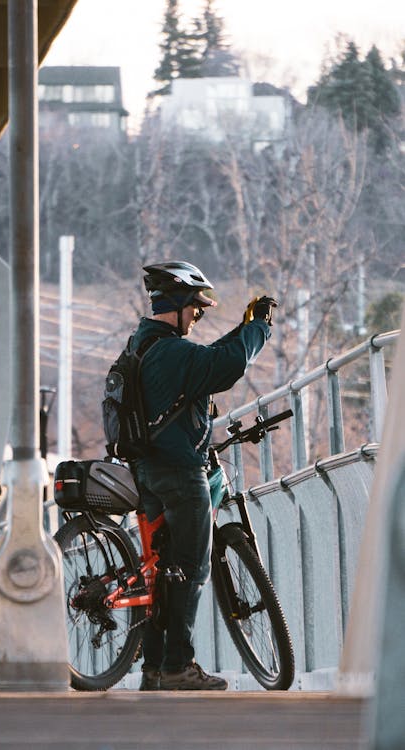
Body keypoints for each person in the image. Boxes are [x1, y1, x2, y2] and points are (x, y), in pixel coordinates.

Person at [131, 260, 276, 691]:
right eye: (195, 306)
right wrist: (260, 328)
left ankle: (154, 668)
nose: (198, 314)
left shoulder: (143, 346)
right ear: (176, 304)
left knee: (166, 570)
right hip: (179, 472)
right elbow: (225, 367)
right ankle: (179, 665)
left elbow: (209, 360)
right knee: (191, 569)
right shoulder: (174, 352)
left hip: (148, 474)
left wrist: (241, 327)